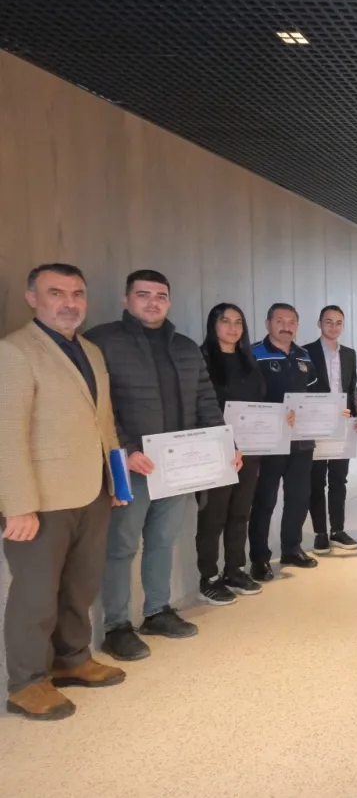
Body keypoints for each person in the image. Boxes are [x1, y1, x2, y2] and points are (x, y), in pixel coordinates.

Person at [86, 269, 235, 662]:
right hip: (132, 466)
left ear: (169, 301)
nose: (153, 302)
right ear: (126, 299)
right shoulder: (102, 341)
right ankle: (117, 626)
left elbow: (206, 401)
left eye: (161, 296)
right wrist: (126, 449)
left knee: (163, 540)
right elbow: (97, 406)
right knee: (121, 547)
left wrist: (224, 446)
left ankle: (156, 611)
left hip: (177, 468)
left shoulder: (185, 347)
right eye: (143, 294)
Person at [0, 264, 126, 720]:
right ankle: (27, 682)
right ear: (32, 298)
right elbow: (7, 434)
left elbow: (104, 422)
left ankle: (72, 659)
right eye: (56, 293)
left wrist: (117, 480)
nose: (69, 303)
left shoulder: (89, 351)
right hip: (42, 500)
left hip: (92, 491)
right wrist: (18, 506)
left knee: (80, 585)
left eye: (77, 293)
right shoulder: (14, 351)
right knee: (36, 594)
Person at [195, 303, 273, 605]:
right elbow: (200, 405)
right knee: (214, 514)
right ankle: (208, 577)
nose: (233, 328)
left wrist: (280, 420)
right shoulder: (202, 360)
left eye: (238, 322)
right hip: (216, 449)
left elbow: (259, 402)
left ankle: (234, 569)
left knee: (241, 511)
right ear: (213, 325)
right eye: (225, 321)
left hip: (249, 449)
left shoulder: (248, 360)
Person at [249, 303, 326, 578]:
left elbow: (315, 395)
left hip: (301, 439)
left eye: (291, 321)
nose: (286, 326)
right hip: (268, 439)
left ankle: (292, 548)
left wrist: (330, 413)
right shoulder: (253, 354)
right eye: (279, 321)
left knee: (299, 496)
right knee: (265, 499)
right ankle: (259, 558)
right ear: (268, 323)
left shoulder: (304, 356)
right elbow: (247, 397)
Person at [304, 305, 357, 553]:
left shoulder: (349, 354)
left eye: (338, 323)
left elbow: (352, 387)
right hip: (315, 425)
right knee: (316, 480)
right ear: (319, 324)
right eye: (328, 321)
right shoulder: (305, 352)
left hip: (342, 425)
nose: (333, 327)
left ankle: (338, 530)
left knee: (339, 479)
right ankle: (320, 533)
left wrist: (356, 415)